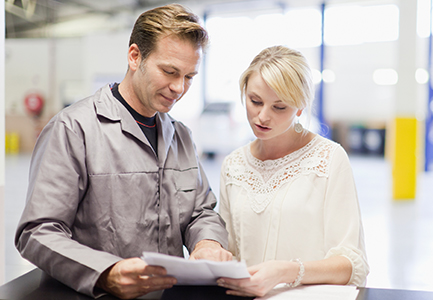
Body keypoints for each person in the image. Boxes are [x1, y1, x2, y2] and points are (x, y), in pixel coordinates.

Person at [15, 4, 231, 299]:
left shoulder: (180, 136)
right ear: (135, 56)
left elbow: (200, 211)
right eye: (169, 71)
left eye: (189, 76)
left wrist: (208, 243)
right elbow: (37, 231)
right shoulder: (74, 129)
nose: (179, 87)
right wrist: (106, 273)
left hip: (168, 292)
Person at [217, 45, 369, 297]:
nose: (262, 116)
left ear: (300, 107)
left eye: (279, 107)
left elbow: (352, 264)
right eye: (255, 101)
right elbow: (229, 251)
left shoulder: (329, 159)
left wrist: (287, 271)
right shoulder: (233, 165)